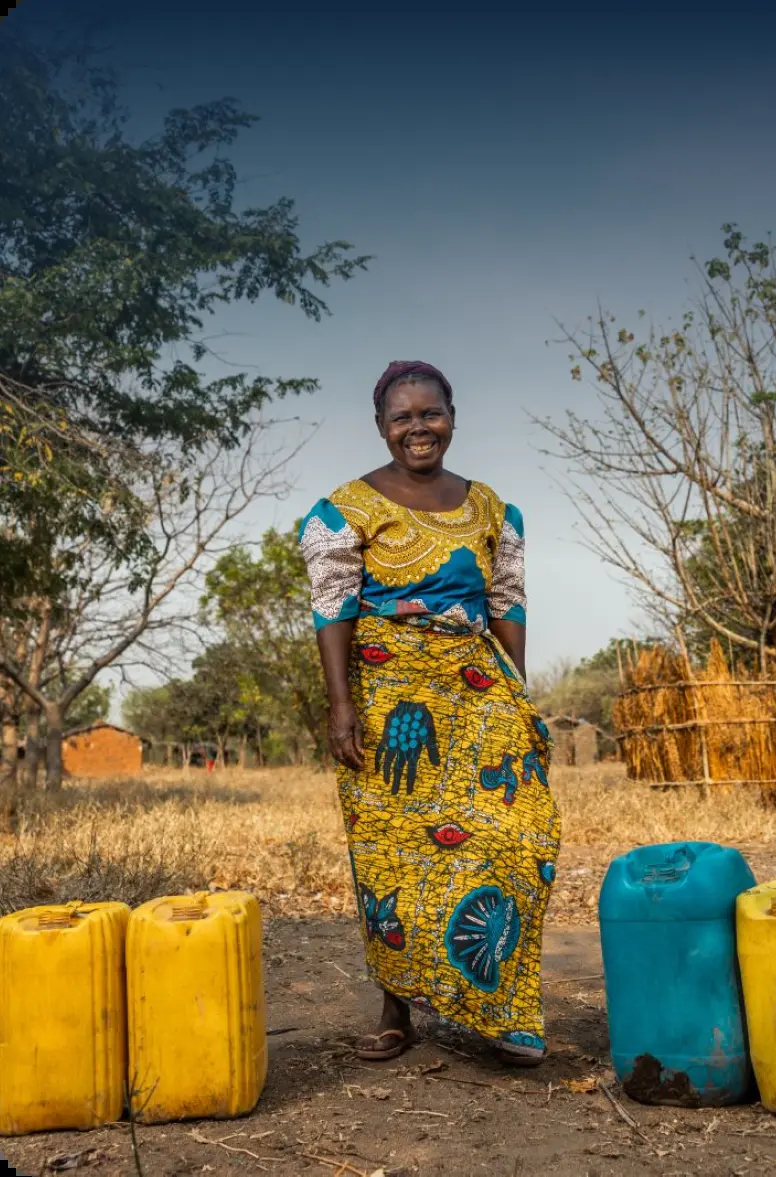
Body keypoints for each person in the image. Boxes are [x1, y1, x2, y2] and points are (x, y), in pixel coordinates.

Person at [299, 360, 561, 1067]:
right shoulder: (345, 508)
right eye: (402, 417)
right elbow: (333, 609)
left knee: (522, 830)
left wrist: (520, 698)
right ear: (382, 426)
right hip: (389, 689)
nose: (418, 427)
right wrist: (342, 705)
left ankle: (497, 1006)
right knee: (393, 851)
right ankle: (396, 1011)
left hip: (476, 684)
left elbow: (506, 603)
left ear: (453, 414)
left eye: (430, 413)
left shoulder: (492, 508)